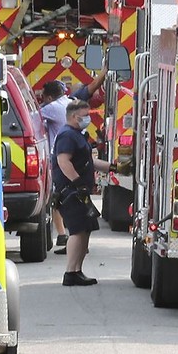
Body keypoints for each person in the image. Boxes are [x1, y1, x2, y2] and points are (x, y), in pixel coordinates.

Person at [41, 67, 107, 253]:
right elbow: (92, 87)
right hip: (78, 160)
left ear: (47, 97)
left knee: (61, 200)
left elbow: (31, 120)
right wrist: (104, 70)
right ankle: (72, 241)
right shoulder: (70, 102)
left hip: (65, 165)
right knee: (76, 211)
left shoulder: (51, 109)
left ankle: (66, 237)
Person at [52, 99, 116, 285]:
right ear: (73, 116)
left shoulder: (77, 135)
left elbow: (90, 162)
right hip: (71, 192)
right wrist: (77, 183)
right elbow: (64, 162)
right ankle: (70, 272)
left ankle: (77, 270)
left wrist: (114, 168)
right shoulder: (67, 136)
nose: (88, 118)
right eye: (85, 115)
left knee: (86, 229)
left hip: (79, 191)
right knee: (77, 230)